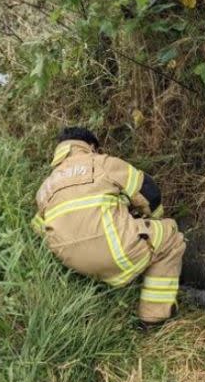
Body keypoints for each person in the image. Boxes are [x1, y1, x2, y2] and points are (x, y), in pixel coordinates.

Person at [32, 126, 192, 326]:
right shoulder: (102, 163)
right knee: (169, 236)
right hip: (116, 254)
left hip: (74, 265)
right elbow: (149, 192)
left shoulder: (45, 187)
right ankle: (154, 318)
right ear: (90, 146)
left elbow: (39, 231)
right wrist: (154, 220)